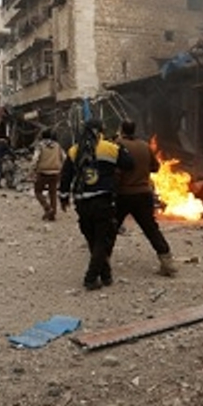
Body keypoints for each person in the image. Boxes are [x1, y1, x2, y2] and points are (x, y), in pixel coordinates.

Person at [60, 119, 133, 290]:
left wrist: (63, 197)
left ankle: (106, 275)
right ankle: (91, 278)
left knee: (92, 239)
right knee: (101, 240)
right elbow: (129, 164)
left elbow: (66, 176)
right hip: (103, 201)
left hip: (82, 202)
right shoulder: (110, 148)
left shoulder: (74, 150)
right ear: (100, 131)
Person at [114, 120, 176, 276]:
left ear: (121, 130)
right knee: (151, 229)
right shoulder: (144, 145)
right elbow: (155, 168)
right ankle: (167, 262)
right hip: (144, 194)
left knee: (111, 228)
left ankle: (101, 263)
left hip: (123, 194)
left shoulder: (117, 145)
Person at [30, 129, 65, 221]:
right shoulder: (57, 146)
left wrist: (32, 170)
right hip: (56, 173)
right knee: (53, 193)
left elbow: (35, 158)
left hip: (43, 172)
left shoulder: (40, 146)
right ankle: (53, 214)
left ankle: (47, 208)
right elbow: (64, 157)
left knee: (38, 191)